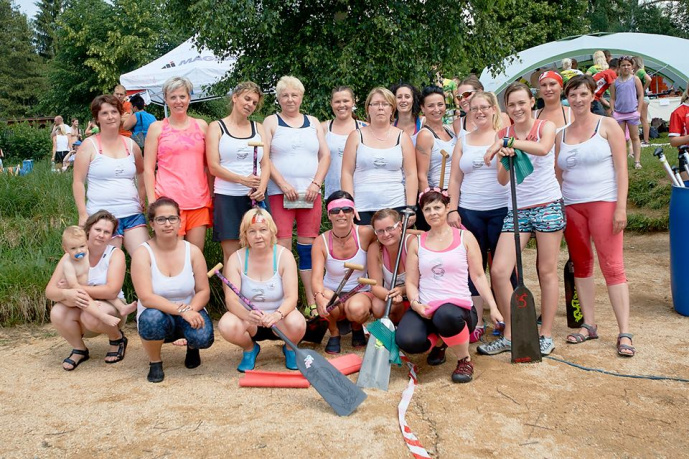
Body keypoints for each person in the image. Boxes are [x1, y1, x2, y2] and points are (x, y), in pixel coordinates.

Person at [478, 82, 564, 357]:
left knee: (546, 271)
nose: (517, 109)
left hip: (547, 204)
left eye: (521, 103)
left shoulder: (545, 126)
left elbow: (543, 148)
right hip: (517, 208)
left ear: (531, 102)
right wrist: (505, 155)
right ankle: (510, 334)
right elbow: (503, 180)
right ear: (506, 108)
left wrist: (506, 143)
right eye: (511, 104)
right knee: (499, 271)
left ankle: (545, 334)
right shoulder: (503, 134)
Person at [556, 74, 634, 357]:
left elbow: (622, 169)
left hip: (604, 202)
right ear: (567, 98)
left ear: (592, 96)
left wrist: (621, 207)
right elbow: (558, 174)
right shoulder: (561, 134)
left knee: (612, 266)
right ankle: (588, 324)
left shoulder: (608, 125)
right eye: (572, 95)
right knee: (581, 265)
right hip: (572, 206)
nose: (578, 99)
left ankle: (624, 331)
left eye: (583, 94)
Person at [397, 189, 503, 383]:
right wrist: (415, 304)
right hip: (426, 307)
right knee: (407, 340)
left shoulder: (465, 237)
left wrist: (493, 307)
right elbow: (411, 281)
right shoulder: (417, 242)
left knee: (445, 315)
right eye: (427, 209)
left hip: (458, 310)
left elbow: (479, 276)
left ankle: (464, 359)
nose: (433, 213)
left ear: (447, 208)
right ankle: (440, 342)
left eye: (437, 207)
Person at [447, 91, 512, 343]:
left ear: (494, 109)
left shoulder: (504, 136)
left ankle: (507, 319)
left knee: (504, 269)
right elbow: (455, 178)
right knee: (473, 267)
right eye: (474, 108)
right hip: (469, 210)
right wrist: (452, 209)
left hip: (501, 209)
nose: (479, 112)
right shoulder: (463, 140)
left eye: (484, 107)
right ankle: (477, 320)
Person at [262, 75, 330, 312]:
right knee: (282, 247)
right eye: (285, 95)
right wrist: (282, 184)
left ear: (301, 97)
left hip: (310, 194)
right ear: (278, 98)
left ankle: (311, 302)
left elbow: (325, 156)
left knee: (307, 248)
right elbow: (265, 157)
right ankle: (285, 303)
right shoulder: (271, 122)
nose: (290, 99)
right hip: (280, 194)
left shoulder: (313, 122)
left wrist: (316, 184)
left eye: (294, 95)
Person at [132, 197, 215, 383]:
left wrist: (189, 310)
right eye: (161, 219)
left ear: (179, 221)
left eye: (172, 218)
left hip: (189, 309)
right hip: (157, 312)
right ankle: (155, 361)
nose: (167, 224)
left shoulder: (193, 251)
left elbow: (203, 291)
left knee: (203, 337)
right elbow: (146, 298)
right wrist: (182, 311)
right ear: (152, 224)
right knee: (151, 319)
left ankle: (192, 348)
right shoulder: (142, 253)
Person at [217, 209, 305, 371]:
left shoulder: (284, 256)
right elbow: (231, 300)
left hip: (279, 319)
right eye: (252, 231)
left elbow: (291, 297)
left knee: (297, 322)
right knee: (227, 325)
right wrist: (247, 315)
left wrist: (277, 314)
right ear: (245, 235)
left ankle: (290, 348)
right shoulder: (236, 258)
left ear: (272, 231)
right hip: (250, 320)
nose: (258, 236)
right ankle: (250, 349)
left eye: (263, 230)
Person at [46, 211, 131, 370]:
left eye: (107, 232)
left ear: (111, 236)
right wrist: (66, 293)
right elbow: (50, 291)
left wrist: (76, 287)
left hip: (111, 308)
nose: (101, 235)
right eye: (97, 230)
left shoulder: (115, 254)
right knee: (57, 312)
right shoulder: (72, 254)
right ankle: (79, 349)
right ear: (88, 230)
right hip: (80, 304)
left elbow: (111, 292)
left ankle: (117, 339)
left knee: (91, 314)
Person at [73, 94, 148, 255]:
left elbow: (142, 172)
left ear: (120, 114)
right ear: (97, 118)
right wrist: (82, 214)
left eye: (114, 112)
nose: (110, 117)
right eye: (104, 113)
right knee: (110, 261)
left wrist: (142, 196)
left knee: (145, 258)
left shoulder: (131, 145)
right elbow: (78, 181)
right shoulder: (88, 145)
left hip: (132, 213)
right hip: (102, 216)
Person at [144, 76, 211, 251]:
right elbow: (148, 169)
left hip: (198, 200)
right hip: (167, 202)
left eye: (182, 96)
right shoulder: (157, 128)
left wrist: (213, 196)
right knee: (170, 254)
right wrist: (152, 201)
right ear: (166, 99)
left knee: (195, 253)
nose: (178, 101)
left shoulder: (202, 126)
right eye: (173, 97)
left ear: (189, 98)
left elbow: (210, 166)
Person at [207, 81, 270, 263]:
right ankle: (232, 284)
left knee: (258, 251)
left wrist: (262, 188)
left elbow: (265, 163)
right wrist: (242, 180)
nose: (250, 104)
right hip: (227, 197)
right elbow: (213, 166)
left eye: (254, 103)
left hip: (255, 197)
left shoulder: (258, 128)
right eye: (247, 99)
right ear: (235, 98)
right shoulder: (216, 127)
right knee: (232, 255)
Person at [341, 87, 418, 225]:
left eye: (385, 104)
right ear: (368, 109)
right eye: (376, 104)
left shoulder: (403, 137)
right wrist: (349, 205)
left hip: (396, 206)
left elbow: (411, 174)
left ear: (392, 109)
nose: (380, 108)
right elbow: (347, 172)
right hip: (362, 207)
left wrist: (411, 207)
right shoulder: (355, 136)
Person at [312, 191, 376, 353]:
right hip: (331, 291)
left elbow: (390, 235)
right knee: (327, 303)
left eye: (346, 209)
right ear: (329, 215)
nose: (341, 214)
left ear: (354, 212)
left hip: (360, 291)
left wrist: (423, 234)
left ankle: (356, 326)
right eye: (335, 210)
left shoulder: (366, 233)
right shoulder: (320, 241)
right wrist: (318, 297)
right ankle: (334, 332)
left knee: (356, 309)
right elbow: (316, 279)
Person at [57, 225, 133, 327]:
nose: (79, 251)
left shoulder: (86, 254)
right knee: (83, 298)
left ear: (86, 243)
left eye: (82, 246)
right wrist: (91, 299)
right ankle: (102, 316)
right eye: (73, 248)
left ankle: (121, 307)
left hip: (85, 288)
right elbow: (74, 285)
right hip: (75, 293)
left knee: (100, 288)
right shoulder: (68, 264)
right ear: (66, 249)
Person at [415, 85, 457, 229]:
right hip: (439, 196)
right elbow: (421, 175)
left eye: (440, 104)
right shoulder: (425, 135)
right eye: (431, 106)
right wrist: (432, 204)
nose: (436, 109)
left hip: (456, 194)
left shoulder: (449, 130)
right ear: (423, 108)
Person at [367, 208, 414, 324]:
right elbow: (375, 286)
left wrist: (401, 290)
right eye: (380, 231)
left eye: (390, 228)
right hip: (393, 299)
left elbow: (422, 281)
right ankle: (393, 328)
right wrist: (392, 296)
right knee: (377, 306)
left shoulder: (411, 242)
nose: (386, 234)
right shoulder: (375, 248)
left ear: (400, 226)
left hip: (416, 296)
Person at [322, 86, 366, 200]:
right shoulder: (323, 128)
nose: (341, 105)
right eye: (337, 102)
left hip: (362, 193)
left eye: (346, 101)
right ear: (331, 104)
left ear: (353, 102)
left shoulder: (365, 128)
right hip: (334, 194)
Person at [610, 56, 644, 169]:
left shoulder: (635, 79)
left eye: (628, 65)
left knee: (635, 137)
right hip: (619, 113)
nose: (626, 67)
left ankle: (637, 161)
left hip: (632, 112)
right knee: (620, 139)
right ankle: (621, 162)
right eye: (623, 65)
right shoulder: (615, 82)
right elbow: (612, 98)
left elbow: (641, 95)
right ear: (619, 67)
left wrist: (639, 111)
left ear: (632, 66)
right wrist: (612, 111)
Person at [633, 56, 653, 146]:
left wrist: (642, 90)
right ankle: (645, 139)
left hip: (642, 98)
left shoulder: (640, 71)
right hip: (642, 98)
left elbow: (649, 79)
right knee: (642, 119)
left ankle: (646, 140)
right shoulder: (637, 72)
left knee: (643, 119)